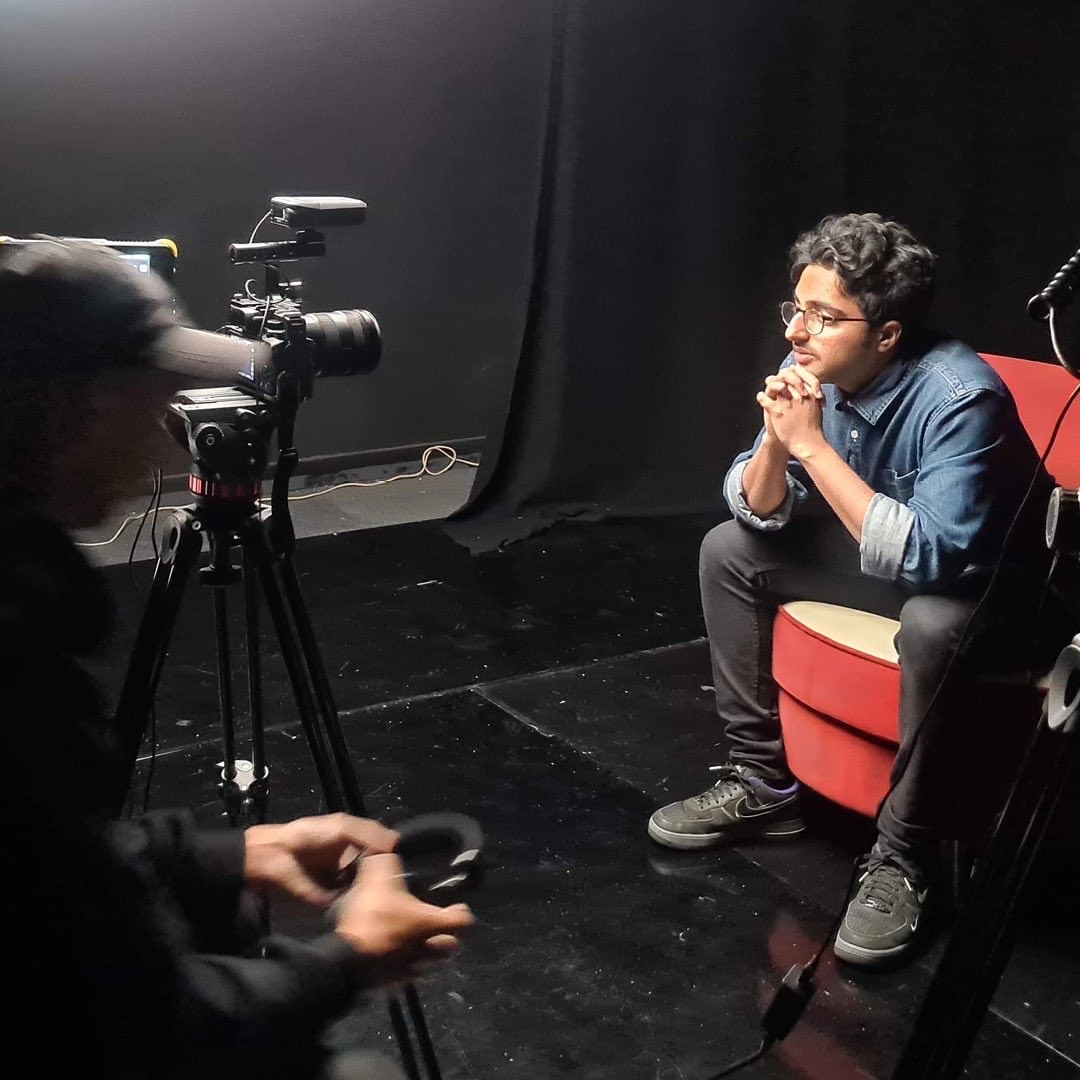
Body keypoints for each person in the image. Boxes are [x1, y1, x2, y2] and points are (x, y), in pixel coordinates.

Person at [0, 238, 474, 1078]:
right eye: (144, 403)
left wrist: (222, 857)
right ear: (59, 412)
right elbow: (124, 1030)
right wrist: (346, 961)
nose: (166, 442)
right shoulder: (18, 669)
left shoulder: (25, 619)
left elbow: (39, 870)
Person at [646, 212, 1071, 968]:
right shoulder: (829, 377)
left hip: (1006, 591)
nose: (797, 334)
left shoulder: (957, 398)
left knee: (937, 622)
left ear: (886, 335)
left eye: (824, 317)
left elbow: (936, 560)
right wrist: (779, 442)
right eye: (796, 309)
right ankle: (762, 785)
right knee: (728, 550)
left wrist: (808, 441)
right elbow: (754, 505)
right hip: (905, 570)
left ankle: (905, 856)